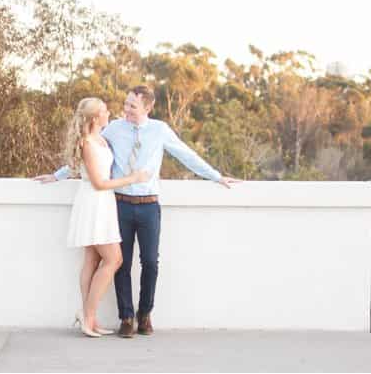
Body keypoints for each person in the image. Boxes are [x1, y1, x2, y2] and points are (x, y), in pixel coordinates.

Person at [36, 85, 241, 338]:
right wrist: (57, 176)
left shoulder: (160, 130)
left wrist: (216, 176)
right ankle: (126, 317)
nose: (126, 110)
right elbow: (86, 152)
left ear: (147, 107)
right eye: (126, 104)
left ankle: (145, 314)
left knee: (151, 262)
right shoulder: (114, 128)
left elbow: (186, 155)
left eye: (132, 106)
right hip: (119, 204)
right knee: (120, 263)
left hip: (149, 205)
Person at [63, 97, 151, 337]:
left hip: (103, 204)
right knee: (114, 259)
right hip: (94, 202)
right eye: (104, 111)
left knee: (92, 259)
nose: (108, 113)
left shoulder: (101, 138)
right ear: (94, 118)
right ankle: (87, 315)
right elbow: (99, 182)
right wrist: (133, 179)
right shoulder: (88, 143)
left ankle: (89, 318)